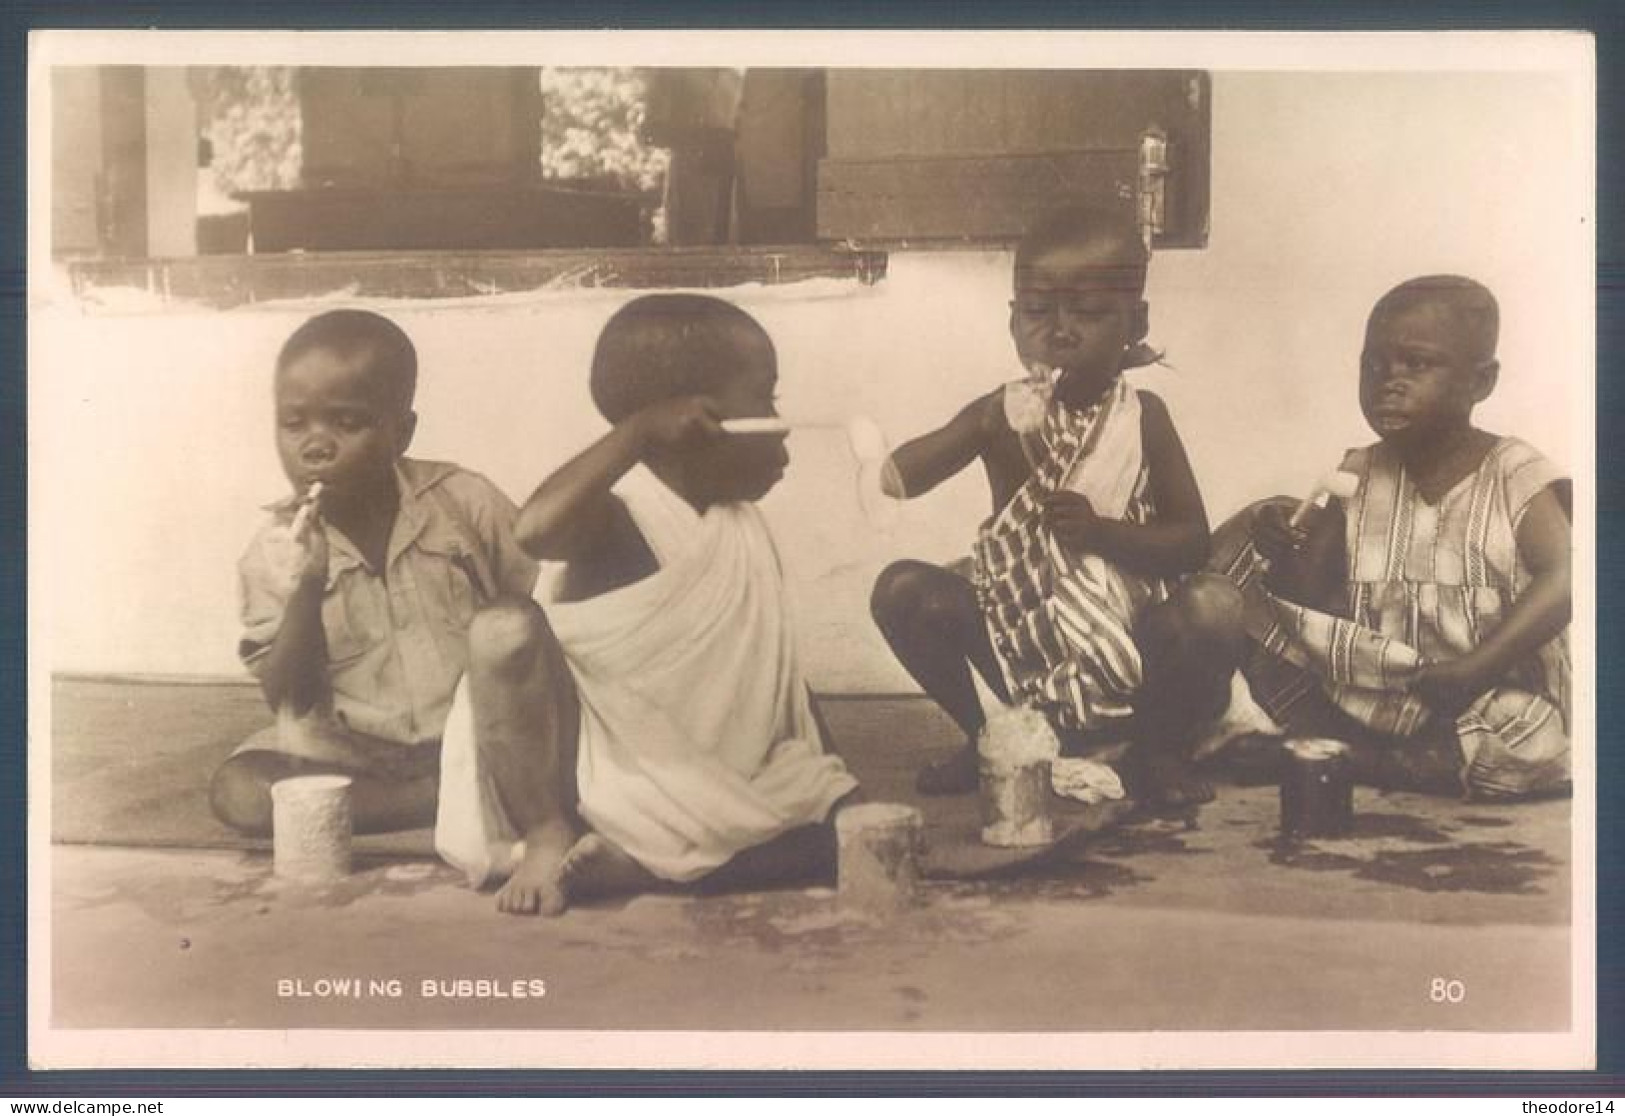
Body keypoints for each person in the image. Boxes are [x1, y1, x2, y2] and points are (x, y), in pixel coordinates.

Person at [434, 294, 860, 916]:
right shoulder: (619, 516)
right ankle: (551, 834)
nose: (781, 420)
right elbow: (535, 531)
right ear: (695, 418)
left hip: (706, 776)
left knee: (846, 833)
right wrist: (636, 433)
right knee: (503, 628)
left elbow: (775, 681)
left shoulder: (735, 528)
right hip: (597, 776)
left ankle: (638, 867)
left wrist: (839, 784)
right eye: (765, 397)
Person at [869, 206, 1244, 806]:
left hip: (1128, 638)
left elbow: (1192, 542)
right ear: (1013, 321)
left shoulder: (1143, 417)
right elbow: (901, 479)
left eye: (1090, 313)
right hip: (1021, 635)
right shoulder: (1001, 412)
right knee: (902, 590)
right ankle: (996, 738)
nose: (1060, 331)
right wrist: (979, 424)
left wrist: (1101, 534)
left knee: (1215, 607)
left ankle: (1156, 751)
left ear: (1134, 320)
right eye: (1038, 312)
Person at [1211, 276, 1571, 799]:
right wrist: (1281, 546)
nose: (1389, 381)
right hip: (1386, 683)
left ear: (1481, 383)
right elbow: (1312, 596)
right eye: (1373, 365)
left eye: (1417, 364)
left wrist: (1474, 670)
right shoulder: (1360, 469)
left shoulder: (1514, 471)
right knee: (1243, 555)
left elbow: (1566, 578)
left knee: (1529, 734)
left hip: (1488, 685)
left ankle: (1363, 761)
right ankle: (1362, 747)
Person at [211, 309, 538, 835]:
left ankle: (457, 789)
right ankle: (437, 800)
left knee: (573, 742)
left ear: (401, 432)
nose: (315, 445)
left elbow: (541, 613)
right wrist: (307, 589)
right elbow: (289, 700)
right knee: (240, 791)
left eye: (347, 422)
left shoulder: (465, 502)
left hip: (477, 735)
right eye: (294, 423)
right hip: (349, 754)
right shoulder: (272, 552)